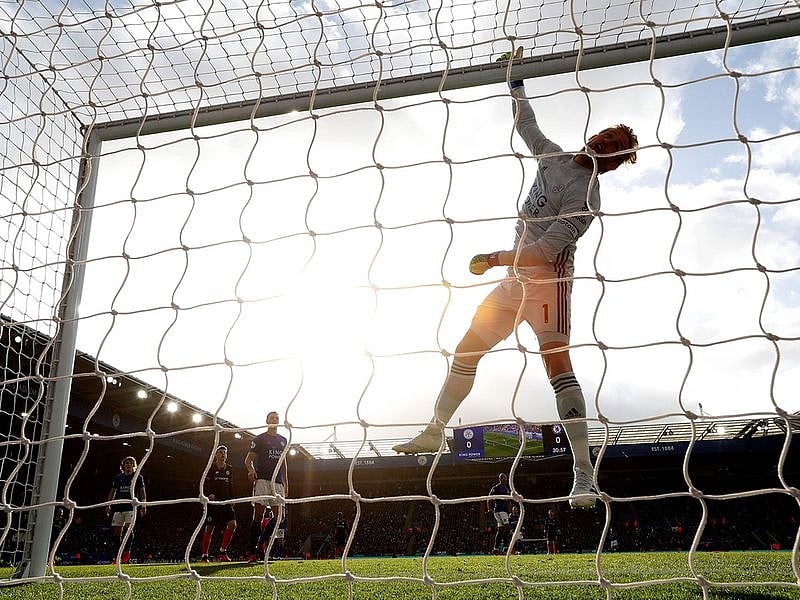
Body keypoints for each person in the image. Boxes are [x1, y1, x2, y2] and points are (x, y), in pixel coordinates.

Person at [393, 47, 638, 510]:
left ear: (614, 162)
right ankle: (433, 431)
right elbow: (528, 127)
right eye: (603, 136)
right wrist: (516, 82)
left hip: (549, 285)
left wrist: (494, 256)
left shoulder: (589, 196)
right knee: (467, 348)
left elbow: (546, 254)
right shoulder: (553, 155)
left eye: (611, 147)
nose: (601, 143)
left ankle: (584, 475)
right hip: (514, 281)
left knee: (556, 367)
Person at [244, 411, 289, 562]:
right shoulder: (260, 439)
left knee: (280, 518)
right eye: (272, 418)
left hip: (277, 482)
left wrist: (286, 482)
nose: (274, 420)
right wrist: (251, 470)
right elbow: (248, 460)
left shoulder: (284, 440)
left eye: (276, 418)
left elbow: (284, 463)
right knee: (258, 516)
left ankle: (261, 543)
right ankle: (251, 552)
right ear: (267, 421)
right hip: (262, 480)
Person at [105, 456, 146, 564]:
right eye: (127, 463)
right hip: (118, 507)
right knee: (117, 532)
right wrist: (108, 504)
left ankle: (127, 551)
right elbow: (113, 491)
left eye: (131, 463)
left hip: (131, 507)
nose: (129, 464)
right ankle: (116, 556)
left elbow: (142, 492)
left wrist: (144, 505)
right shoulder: (118, 478)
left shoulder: (138, 477)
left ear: (134, 466)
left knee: (128, 529)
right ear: (123, 465)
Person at [200, 445, 237, 562]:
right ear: (216, 455)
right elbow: (205, 483)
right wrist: (209, 493)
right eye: (220, 452)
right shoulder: (210, 467)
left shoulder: (229, 468)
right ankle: (204, 555)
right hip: (214, 503)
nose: (222, 454)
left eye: (224, 452)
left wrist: (232, 499)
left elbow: (231, 485)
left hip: (226, 502)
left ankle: (222, 552)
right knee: (209, 529)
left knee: (233, 525)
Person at [487, 473, 511, 554]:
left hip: (503, 511)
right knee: (507, 527)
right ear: (499, 479)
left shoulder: (506, 489)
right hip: (500, 510)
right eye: (502, 478)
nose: (504, 479)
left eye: (505, 477)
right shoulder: (496, 488)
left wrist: (510, 511)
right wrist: (489, 508)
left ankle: (496, 548)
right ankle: (506, 547)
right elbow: (489, 498)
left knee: (501, 530)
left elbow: (508, 501)